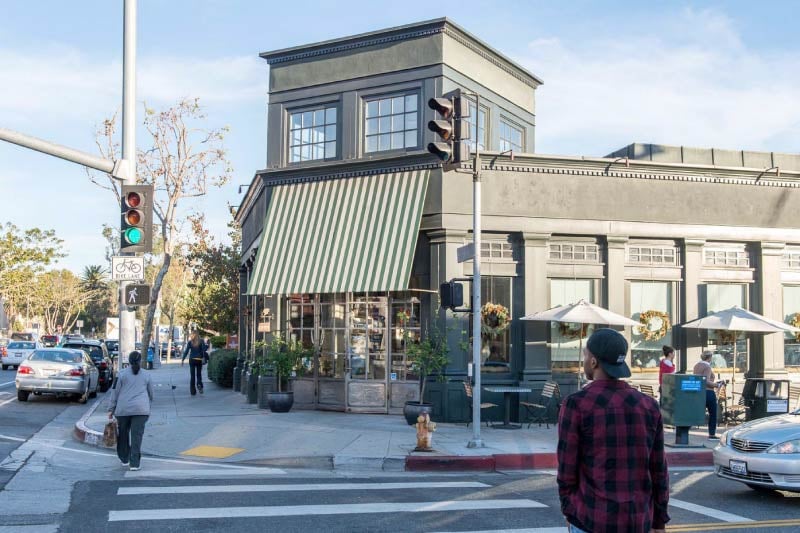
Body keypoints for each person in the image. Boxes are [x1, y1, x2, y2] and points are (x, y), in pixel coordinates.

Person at [557, 328, 669, 533]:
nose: (584, 360)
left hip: (591, 518)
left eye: (585, 355)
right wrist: (659, 520)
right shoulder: (649, 405)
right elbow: (659, 469)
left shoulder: (576, 404)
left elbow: (566, 471)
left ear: (593, 361)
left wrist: (569, 510)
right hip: (637, 519)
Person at [107, 351, 153, 471]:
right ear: (140, 361)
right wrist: (148, 404)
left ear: (128, 361)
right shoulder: (147, 375)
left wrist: (111, 409)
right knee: (137, 436)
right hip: (141, 410)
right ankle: (135, 463)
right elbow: (151, 393)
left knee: (123, 434)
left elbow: (114, 392)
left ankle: (124, 458)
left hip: (123, 410)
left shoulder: (121, 374)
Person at [693, 350, 720, 440]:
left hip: (698, 392)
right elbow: (706, 381)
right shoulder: (707, 367)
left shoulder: (696, 366)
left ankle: (685, 428)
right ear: (710, 358)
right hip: (708, 392)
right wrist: (717, 385)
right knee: (713, 413)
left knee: (697, 412)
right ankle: (712, 434)